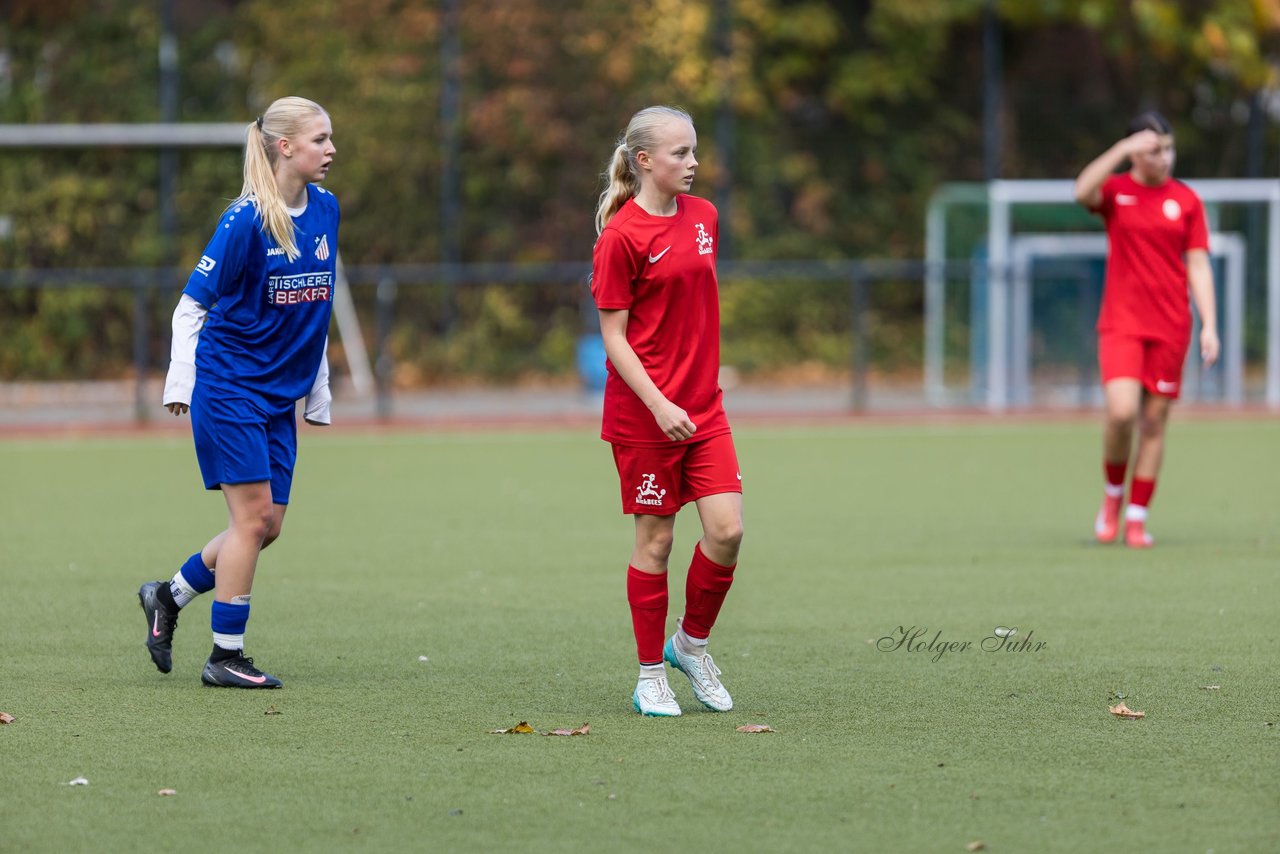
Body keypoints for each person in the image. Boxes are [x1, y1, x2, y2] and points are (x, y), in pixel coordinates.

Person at [138, 96, 339, 688]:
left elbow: (316, 308)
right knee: (251, 521)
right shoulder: (245, 220)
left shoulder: (326, 209)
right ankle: (225, 655)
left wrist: (317, 390)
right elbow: (191, 304)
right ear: (285, 147)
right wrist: (181, 382)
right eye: (320, 139)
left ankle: (167, 595)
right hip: (229, 388)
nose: (331, 150)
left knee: (267, 525)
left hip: (279, 395)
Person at [590, 106, 744, 716]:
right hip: (646, 416)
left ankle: (691, 645)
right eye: (680, 153)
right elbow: (614, 338)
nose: (693, 162)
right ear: (644, 161)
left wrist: (689, 398)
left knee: (728, 531)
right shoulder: (621, 238)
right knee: (656, 543)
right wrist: (659, 404)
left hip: (704, 410)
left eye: (694, 150)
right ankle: (649, 672)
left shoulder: (704, 216)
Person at [1074, 110, 1219, 548]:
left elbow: (1197, 262)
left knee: (1154, 422)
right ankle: (1112, 497)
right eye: (1156, 149)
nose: (1166, 157)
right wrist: (1121, 150)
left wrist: (1210, 325)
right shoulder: (1117, 192)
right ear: (1137, 152)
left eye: (1169, 148)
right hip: (1121, 323)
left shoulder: (1187, 201)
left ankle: (1137, 518)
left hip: (1172, 324)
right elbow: (1082, 190)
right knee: (1121, 413)